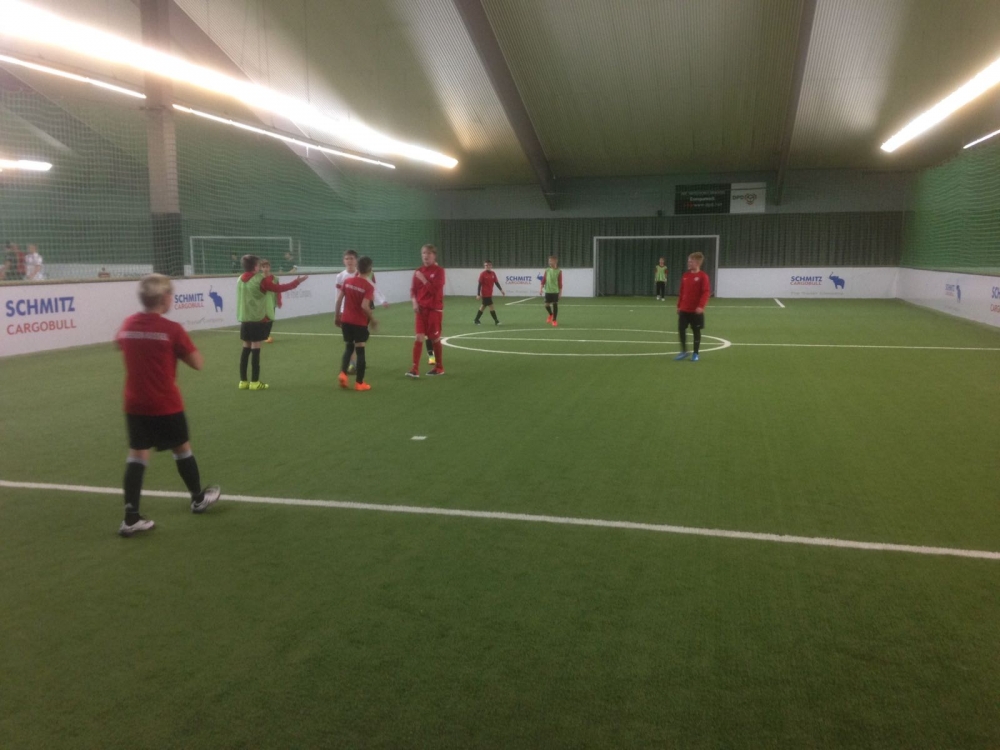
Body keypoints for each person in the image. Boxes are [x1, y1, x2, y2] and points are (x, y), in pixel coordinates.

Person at [115, 274, 221, 537]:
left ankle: (130, 517)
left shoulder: (128, 324)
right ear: (163, 298)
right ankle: (198, 499)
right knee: (182, 449)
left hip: (134, 403)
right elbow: (198, 363)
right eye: (170, 294)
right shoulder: (172, 329)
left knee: (137, 456)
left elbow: (119, 343)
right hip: (165, 403)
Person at [237, 254, 307, 390]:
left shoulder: (240, 279)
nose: (260, 267)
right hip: (257, 318)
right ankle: (255, 382)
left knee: (245, 348)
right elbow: (278, 289)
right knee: (256, 348)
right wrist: (296, 282)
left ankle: (243, 381)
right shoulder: (260, 280)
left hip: (245, 318)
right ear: (255, 266)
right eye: (258, 264)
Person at [334, 250, 388, 372]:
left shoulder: (366, 273)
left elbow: (373, 289)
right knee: (352, 341)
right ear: (343, 261)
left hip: (364, 311)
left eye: (352, 258)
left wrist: (382, 300)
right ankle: (353, 364)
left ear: (356, 261)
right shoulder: (340, 277)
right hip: (347, 311)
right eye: (347, 258)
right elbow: (338, 295)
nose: (349, 261)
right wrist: (339, 311)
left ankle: (356, 362)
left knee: (359, 339)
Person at [337, 256, 379, 392]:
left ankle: (343, 374)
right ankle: (359, 383)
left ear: (357, 267)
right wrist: (372, 320)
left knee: (348, 348)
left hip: (346, 320)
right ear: (370, 269)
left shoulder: (347, 281)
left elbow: (339, 300)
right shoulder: (368, 286)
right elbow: (364, 306)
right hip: (359, 322)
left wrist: (336, 316)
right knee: (360, 351)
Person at [406, 244, 445, 378]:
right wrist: (414, 302)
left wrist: (423, 279)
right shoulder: (418, 271)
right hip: (420, 310)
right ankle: (414, 369)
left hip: (434, 310)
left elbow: (434, 290)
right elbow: (413, 290)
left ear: (434, 256)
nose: (426, 256)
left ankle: (439, 367)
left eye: (429, 253)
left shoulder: (439, 271)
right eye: (423, 253)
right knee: (419, 337)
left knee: (434, 338)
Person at [675, 252, 711, 362]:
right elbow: (682, 292)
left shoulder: (703, 276)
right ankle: (684, 351)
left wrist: (701, 306)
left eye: (691, 261)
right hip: (684, 309)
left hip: (696, 311)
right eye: (688, 261)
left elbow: (706, 292)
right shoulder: (685, 276)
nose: (689, 263)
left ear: (697, 263)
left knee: (696, 331)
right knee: (681, 329)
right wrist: (679, 305)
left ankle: (695, 353)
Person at [474, 260, 505, 325]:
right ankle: (496, 321)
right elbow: (479, 284)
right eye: (485, 265)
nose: (486, 266)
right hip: (485, 294)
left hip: (490, 293)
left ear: (491, 266)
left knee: (483, 306)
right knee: (491, 306)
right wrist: (478, 294)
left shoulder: (493, 273)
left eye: (488, 265)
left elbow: (496, 282)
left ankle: (476, 319)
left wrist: (501, 290)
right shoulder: (482, 274)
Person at [260, 259, 280, 343]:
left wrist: (279, 300)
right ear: (261, 268)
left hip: (272, 302)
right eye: (264, 267)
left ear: (270, 267)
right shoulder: (258, 278)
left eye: (267, 267)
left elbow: (278, 290)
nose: (265, 269)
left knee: (270, 319)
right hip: (262, 303)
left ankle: (266, 336)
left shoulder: (275, 278)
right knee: (262, 319)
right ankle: (261, 335)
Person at [539, 255, 562, 327]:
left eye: (550, 261)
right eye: (549, 261)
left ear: (555, 261)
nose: (549, 262)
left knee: (555, 304)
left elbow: (560, 282)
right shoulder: (547, 270)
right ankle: (551, 314)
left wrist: (560, 293)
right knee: (546, 305)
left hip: (555, 291)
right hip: (548, 291)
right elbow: (543, 280)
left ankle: (554, 320)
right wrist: (541, 289)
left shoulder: (559, 271)